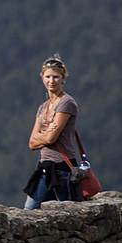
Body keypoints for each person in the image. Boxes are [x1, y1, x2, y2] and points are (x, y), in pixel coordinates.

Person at [22, 55, 81, 208]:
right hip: (44, 167)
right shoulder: (43, 107)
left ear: (63, 78)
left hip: (63, 169)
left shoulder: (66, 103)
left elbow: (50, 139)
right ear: (42, 78)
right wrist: (46, 135)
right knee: (29, 210)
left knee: (69, 212)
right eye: (48, 76)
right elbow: (31, 143)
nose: (51, 81)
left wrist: (43, 136)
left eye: (56, 77)